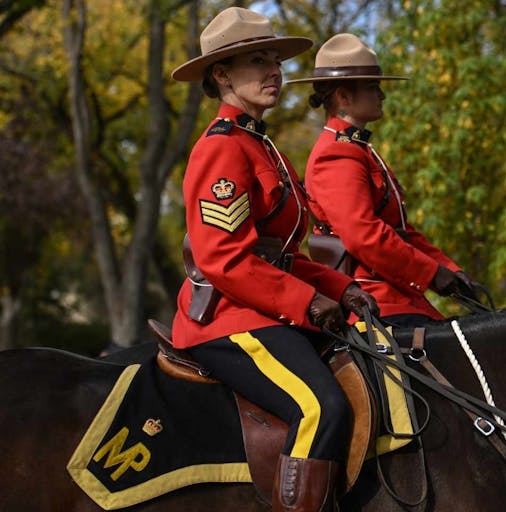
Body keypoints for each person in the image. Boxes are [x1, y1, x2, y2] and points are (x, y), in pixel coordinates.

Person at [170, 9, 377, 511]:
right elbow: (224, 260)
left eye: (276, 61)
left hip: (263, 308)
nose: (274, 71)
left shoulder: (263, 147)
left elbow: (280, 254)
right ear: (221, 75)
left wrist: (339, 287)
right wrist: (308, 302)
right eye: (258, 61)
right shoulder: (222, 150)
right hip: (227, 319)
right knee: (321, 407)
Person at [287, 33, 485, 328]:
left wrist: (451, 271)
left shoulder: (359, 149)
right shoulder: (336, 154)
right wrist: (432, 275)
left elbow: (402, 231)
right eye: (372, 87)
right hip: (371, 299)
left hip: (399, 293)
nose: (382, 96)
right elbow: (364, 235)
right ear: (343, 97)